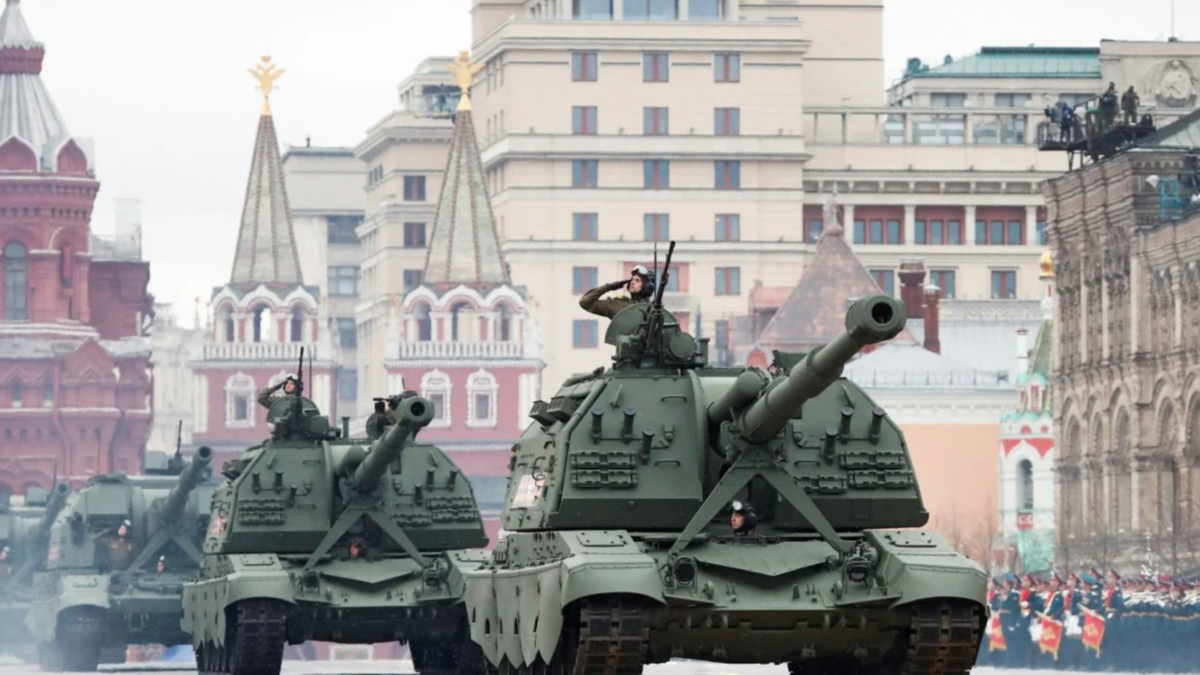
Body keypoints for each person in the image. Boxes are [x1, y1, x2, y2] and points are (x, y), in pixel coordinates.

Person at [579, 265, 656, 319]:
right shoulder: (617, 304)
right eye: (632, 279)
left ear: (646, 286)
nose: (632, 282)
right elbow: (585, 303)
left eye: (637, 280)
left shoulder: (653, 309)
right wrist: (609, 286)